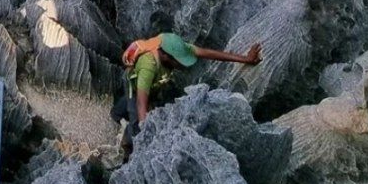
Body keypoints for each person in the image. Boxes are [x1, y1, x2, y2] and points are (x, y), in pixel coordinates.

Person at [112, 32, 263, 156]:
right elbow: (140, 102)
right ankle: (129, 151)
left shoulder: (176, 47)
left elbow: (207, 53)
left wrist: (244, 59)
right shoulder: (148, 66)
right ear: (165, 56)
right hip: (135, 84)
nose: (182, 65)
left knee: (146, 100)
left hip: (152, 83)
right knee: (136, 119)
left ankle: (116, 114)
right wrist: (145, 131)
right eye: (178, 62)